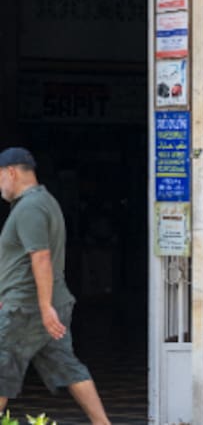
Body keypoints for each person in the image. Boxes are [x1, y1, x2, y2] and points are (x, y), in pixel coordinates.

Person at [0, 147, 110, 425]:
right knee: (67, 367)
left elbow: (41, 257)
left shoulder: (30, 207)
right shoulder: (45, 201)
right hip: (42, 305)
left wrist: (44, 306)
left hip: (27, 308)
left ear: (10, 172)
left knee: (2, 365)